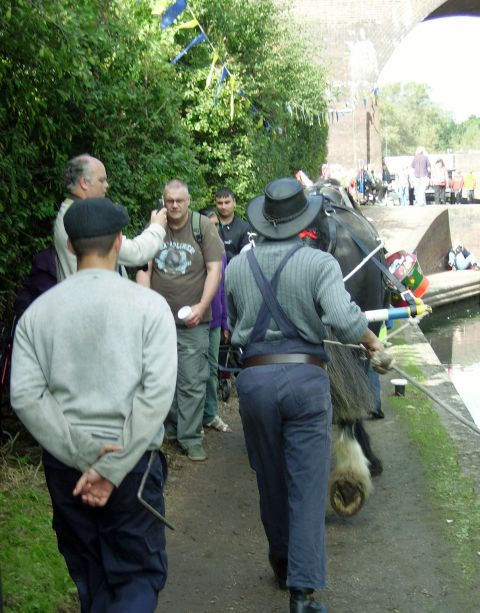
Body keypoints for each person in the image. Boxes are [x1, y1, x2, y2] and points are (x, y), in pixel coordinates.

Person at [10, 197, 177, 612]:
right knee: (137, 577)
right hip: (133, 465)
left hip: (67, 467)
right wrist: (110, 467)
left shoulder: (37, 314)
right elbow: (156, 394)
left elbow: (25, 396)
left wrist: (85, 457)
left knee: (90, 575)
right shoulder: (150, 308)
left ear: (69, 247)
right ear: (120, 242)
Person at [225, 178, 384, 613]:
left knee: (269, 477)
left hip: (255, 381)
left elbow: (234, 322)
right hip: (306, 380)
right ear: (303, 221)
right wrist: (373, 345)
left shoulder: (238, 267)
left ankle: (280, 562)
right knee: (308, 483)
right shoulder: (319, 264)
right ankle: (302, 591)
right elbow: (343, 319)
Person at [137, 180, 224, 461]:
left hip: (193, 321)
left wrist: (202, 306)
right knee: (162, 378)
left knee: (192, 379)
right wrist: (146, 305)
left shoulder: (202, 227)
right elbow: (143, 266)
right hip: (158, 322)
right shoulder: (155, 226)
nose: (174, 205)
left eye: (179, 200)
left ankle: (190, 437)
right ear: (163, 201)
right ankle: (171, 429)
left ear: (188, 201)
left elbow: (214, 270)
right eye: (169, 200)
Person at [54, 154, 167, 280]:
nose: (106, 185)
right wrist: (157, 227)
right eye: (101, 180)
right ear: (84, 183)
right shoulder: (86, 218)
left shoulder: (69, 210)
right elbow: (136, 254)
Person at [199, 208, 231, 433]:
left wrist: (225, 321)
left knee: (211, 370)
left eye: (216, 225)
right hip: (195, 320)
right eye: (209, 225)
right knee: (192, 372)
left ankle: (210, 414)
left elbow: (223, 289)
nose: (213, 229)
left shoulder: (221, 252)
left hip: (215, 320)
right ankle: (190, 420)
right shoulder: (194, 250)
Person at [214, 187, 252, 261]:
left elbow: (247, 258)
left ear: (234, 202)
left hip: (235, 270)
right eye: (219, 203)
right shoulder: (208, 224)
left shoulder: (244, 227)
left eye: (227, 202)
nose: (223, 207)